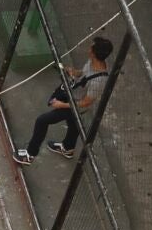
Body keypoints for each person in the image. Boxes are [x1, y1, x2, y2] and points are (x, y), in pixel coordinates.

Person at [15, 36, 112, 165]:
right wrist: (73, 72)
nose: (89, 48)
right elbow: (83, 73)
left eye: (91, 47)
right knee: (73, 124)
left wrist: (62, 105)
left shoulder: (98, 82)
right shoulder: (93, 62)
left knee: (42, 121)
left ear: (94, 53)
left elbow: (85, 103)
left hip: (76, 106)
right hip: (74, 95)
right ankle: (68, 148)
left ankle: (30, 154)